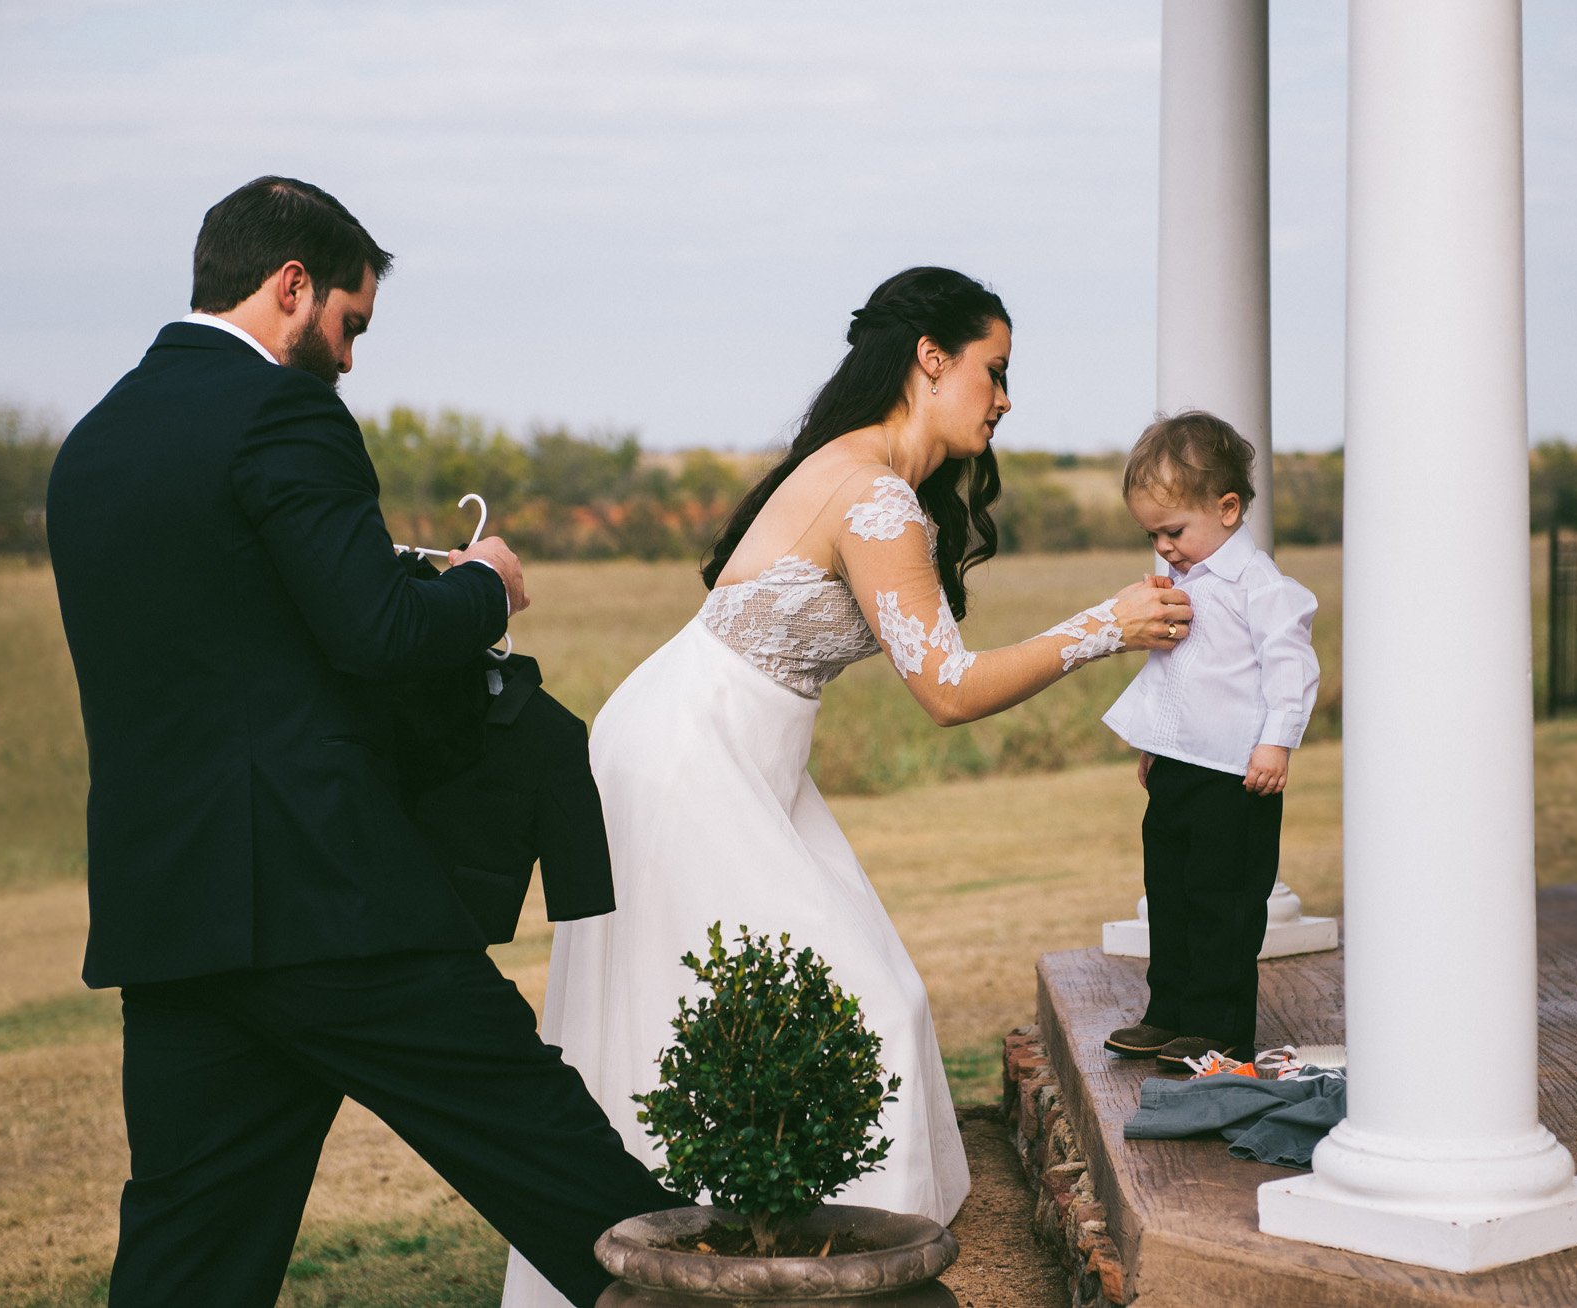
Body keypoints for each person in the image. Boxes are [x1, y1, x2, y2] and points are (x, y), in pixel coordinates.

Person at [45, 175, 684, 1308]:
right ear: (291, 285)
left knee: (188, 1256)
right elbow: (379, 633)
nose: (349, 358)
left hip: (174, 918)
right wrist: (484, 587)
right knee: (567, 1172)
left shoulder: (95, 442)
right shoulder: (283, 413)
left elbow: (234, 638)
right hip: (328, 896)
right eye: (349, 324)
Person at [502, 266, 1194, 1308]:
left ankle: (803, 1251)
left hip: (748, 755)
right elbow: (949, 691)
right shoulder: (870, 494)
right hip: (688, 757)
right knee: (833, 1002)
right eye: (993, 371)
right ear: (930, 360)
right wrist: (1106, 626)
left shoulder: (877, 482)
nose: (1005, 399)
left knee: (870, 993)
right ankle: (779, 1271)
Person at [1098, 411, 1320, 1070]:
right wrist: (1153, 742)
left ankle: (1220, 1025)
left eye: (1173, 531)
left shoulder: (1260, 588)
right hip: (1177, 766)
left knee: (1221, 900)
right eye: (1153, 534)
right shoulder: (1179, 585)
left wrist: (1276, 743)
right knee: (1169, 891)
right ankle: (1169, 1012)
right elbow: (1172, 673)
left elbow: (1291, 666)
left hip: (1234, 774)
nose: (1163, 546)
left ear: (1227, 509)